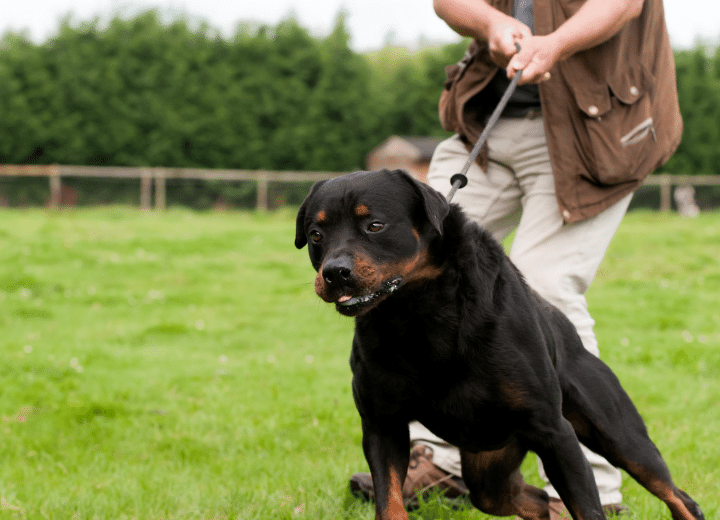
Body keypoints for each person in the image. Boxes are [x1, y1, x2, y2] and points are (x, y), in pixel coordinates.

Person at [350, 0, 682, 518]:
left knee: (546, 291)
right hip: (489, 118)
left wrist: (557, 43)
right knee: (405, 278)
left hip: (593, 127)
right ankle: (446, 464)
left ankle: (593, 490)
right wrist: (493, 23)